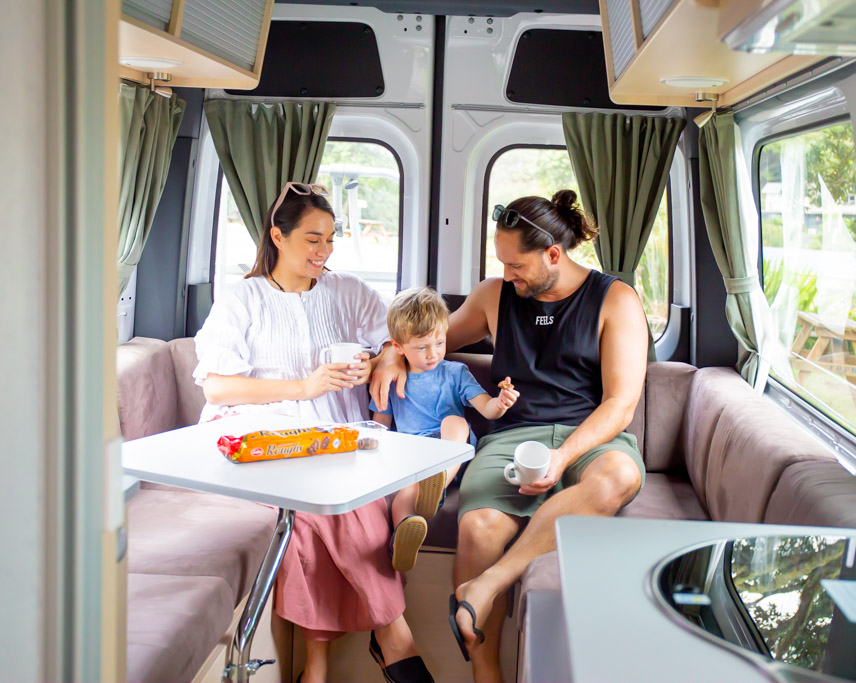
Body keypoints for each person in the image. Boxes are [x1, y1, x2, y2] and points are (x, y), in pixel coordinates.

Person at [371, 190, 648, 682]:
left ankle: (488, 584)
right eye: (501, 263)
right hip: (512, 437)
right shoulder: (494, 295)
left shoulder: (615, 299)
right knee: (477, 528)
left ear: (553, 255)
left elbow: (620, 405)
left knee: (620, 476)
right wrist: (390, 354)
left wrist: (563, 457)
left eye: (516, 265)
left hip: (590, 438)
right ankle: (486, 674)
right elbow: (428, 340)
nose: (507, 275)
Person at [193, 182, 433, 683]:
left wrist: (385, 359)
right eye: (312, 239)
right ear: (278, 237)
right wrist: (303, 387)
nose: (325, 251)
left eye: (331, 239)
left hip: (335, 436)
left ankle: (316, 668)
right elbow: (216, 386)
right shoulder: (242, 299)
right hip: (262, 437)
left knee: (309, 523)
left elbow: (392, 338)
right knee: (331, 506)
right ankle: (392, 631)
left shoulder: (347, 291)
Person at [369, 286, 520, 572]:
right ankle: (403, 536)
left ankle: (438, 482)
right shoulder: (392, 379)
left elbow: (486, 408)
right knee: (404, 496)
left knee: (454, 421)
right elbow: (379, 429)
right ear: (398, 347)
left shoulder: (454, 372)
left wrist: (501, 402)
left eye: (439, 343)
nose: (433, 354)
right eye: (422, 347)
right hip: (413, 457)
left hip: (452, 451)